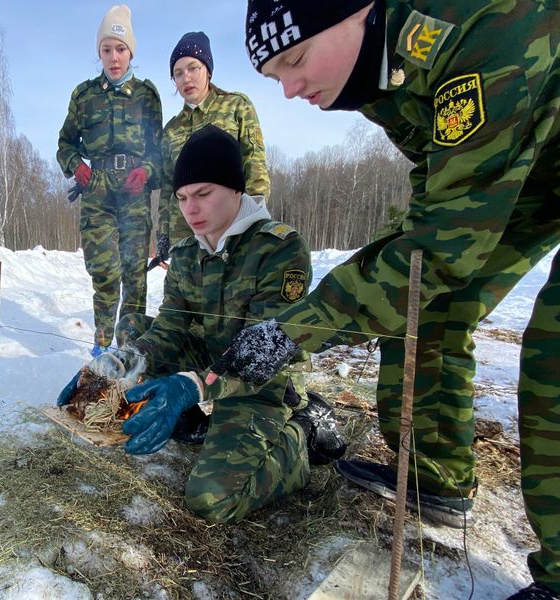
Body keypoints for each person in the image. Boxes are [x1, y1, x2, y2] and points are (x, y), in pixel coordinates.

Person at [212, 2, 558, 598]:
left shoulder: (479, 29)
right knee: (426, 307)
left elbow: (441, 244)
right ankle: (435, 475)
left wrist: (295, 330)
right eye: (275, 78)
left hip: (535, 137)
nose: (291, 90)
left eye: (295, 61)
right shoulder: (372, 72)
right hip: (526, 160)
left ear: (359, 10)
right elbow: (436, 173)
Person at [57, 126, 346, 523]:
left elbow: (264, 358)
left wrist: (193, 385)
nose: (190, 209)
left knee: (211, 499)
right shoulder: (188, 252)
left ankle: (301, 434)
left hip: (262, 383)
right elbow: (171, 327)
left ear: (235, 190)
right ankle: (192, 418)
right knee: (134, 328)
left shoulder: (278, 248)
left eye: (203, 194)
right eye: (181, 198)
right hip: (210, 358)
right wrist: (118, 363)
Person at [57, 4, 163, 357]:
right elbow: (65, 143)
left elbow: (158, 148)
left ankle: (129, 352)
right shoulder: (84, 96)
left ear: (130, 51)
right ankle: (102, 348)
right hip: (97, 190)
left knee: (134, 275)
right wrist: (76, 165)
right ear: (99, 52)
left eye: (120, 49)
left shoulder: (147, 96)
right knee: (104, 272)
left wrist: (147, 170)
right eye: (106, 49)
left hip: (133, 191)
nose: (113, 57)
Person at [155, 31, 271, 264]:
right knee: (186, 297)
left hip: (230, 227)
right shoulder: (171, 129)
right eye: (178, 73)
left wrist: (253, 222)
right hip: (184, 232)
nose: (186, 78)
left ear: (207, 69)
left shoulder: (236, 106)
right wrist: (163, 234)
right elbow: (168, 187)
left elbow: (254, 163)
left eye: (192, 68)